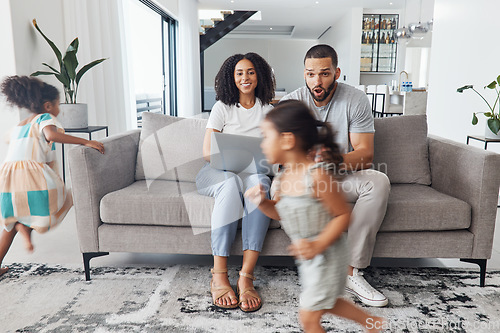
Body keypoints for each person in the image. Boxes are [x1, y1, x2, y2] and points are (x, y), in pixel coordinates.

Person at [245, 100, 385, 332]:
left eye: (266, 136)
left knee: (309, 317)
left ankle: (372, 323)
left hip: (327, 253)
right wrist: (262, 203)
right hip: (309, 257)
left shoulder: (316, 176)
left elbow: (342, 215)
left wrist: (317, 245)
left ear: (288, 140)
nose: (262, 144)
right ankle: (373, 323)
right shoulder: (281, 179)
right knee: (328, 303)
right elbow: (279, 211)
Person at [279, 44, 390, 307]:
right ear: (304, 74)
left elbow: (365, 154)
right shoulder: (291, 104)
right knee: (279, 191)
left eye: (324, 74)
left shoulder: (355, 98)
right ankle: (319, 273)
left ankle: (351, 272)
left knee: (378, 181)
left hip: (340, 174)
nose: (317, 82)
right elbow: (283, 159)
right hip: (302, 177)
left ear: (337, 72)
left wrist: (332, 160)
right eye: (310, 74)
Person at [0, 75, 104, 277]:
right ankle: (25, 227)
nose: (59, 110)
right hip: (30, 176)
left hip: (7, 179)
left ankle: (18, 231)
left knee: (9, 224)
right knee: (62, 200)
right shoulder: (45, 119)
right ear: (48, 106)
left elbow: (21, 146)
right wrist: (84, 141)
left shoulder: (20, 125)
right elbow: (51, 136)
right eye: (58, 105)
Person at [195, 53, 275, 312]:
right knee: (230, 183)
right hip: (218, 172)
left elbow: (275, 153)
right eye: (239, 72)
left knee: (260, 185)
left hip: (255, 173)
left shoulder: (269, 111)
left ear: (259, 75)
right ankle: (218, 275)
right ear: (232, 77)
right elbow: (208, 153)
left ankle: (246, 277)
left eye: (250, 72)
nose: (245, 77)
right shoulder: (222, 107)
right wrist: (237, 159)